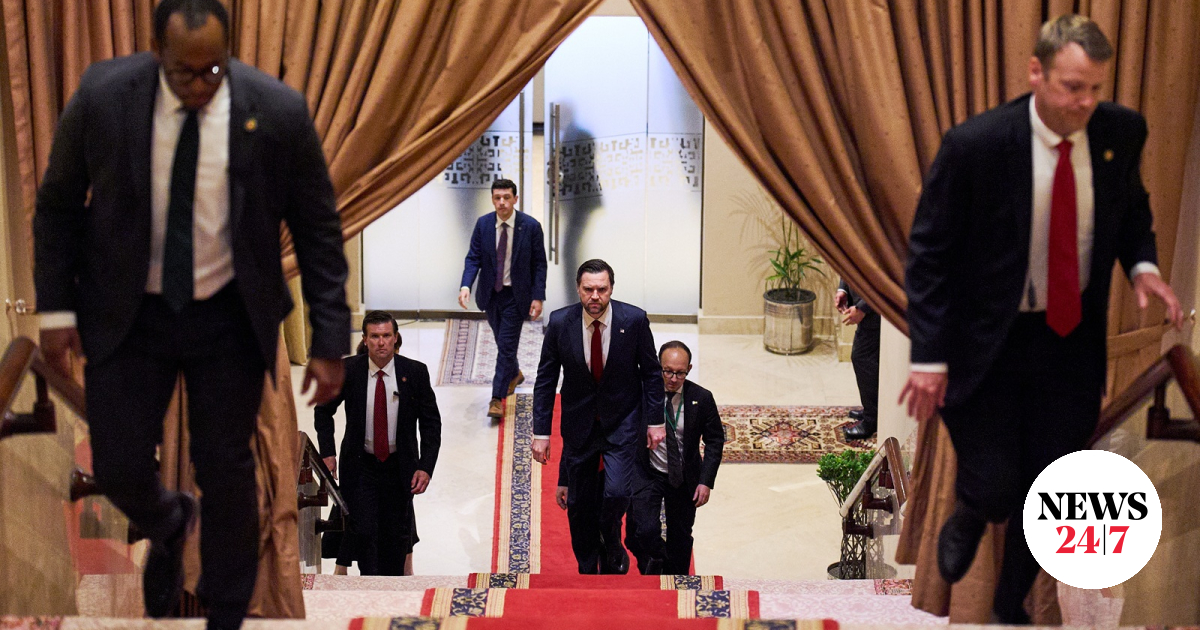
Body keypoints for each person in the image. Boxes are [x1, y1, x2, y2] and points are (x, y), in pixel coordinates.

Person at [33, 1, 349, 627]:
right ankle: (169, 520)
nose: (202, 85)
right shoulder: (103, 97)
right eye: (186, 73)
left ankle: (226, 615)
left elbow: (317, 227)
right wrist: (56, 312)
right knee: (118, 464)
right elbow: (58, 205)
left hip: (228, 315)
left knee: (227, 470)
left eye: (215, 71)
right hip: (130, 311)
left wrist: (328, 338)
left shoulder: (276, 111)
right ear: (158, 55)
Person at [900, 15, 1183, 623]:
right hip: (988, 338)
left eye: (1095, 89)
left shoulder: (1121, 131)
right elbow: (929, 254)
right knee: (999, 481)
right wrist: (928, 356)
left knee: (1052, 483)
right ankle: (973, 508)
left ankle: (1011, 604)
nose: (1085, 103)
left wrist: (1142, 267)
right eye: (1072, 87)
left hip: (1070, 339)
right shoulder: (976, 145)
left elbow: (1132, 210)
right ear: (1036, 72)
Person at [531, 259, 665, 574]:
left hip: (622, 421)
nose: (595, 296)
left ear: (611, 289)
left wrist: (655, 421)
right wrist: (541, 433)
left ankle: (611, 535)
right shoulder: (560, 322)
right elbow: (546, 380)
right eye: (588, 289)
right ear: (578, 289)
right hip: (579, 425)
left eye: (602, 289)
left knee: (617, 491)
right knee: (578, 505)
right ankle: (588, 566)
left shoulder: (634, 320)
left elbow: (651, 373)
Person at [315, 311, 441, 576]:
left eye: (386, 336)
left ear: (395, 338)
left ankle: (391, 589)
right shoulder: (348, 370)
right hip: (361, 467)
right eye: (374, 336)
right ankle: (370, 586)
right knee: (364, 533)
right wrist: (327, 453)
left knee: (395, 536)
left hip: (400, 468)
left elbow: (431, 424)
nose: (381, 342)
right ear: (365, 339)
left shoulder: (414, 372)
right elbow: (323, 410)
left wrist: (425, 467)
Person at [631, 341, 724, 575]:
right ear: (658, 367)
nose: (673, 379)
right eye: (667, 371)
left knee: (680, 537)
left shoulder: (701, 398)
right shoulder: (641, 392)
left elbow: (714, 440)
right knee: (642, 531)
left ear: (689, 369)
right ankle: (659, 562)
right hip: (648, 472)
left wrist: (705, 481)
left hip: (683, 476)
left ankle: (677, 581)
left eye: (680, 373)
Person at [459, 178, 548, 419]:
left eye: (507, 197)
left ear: (515, 199)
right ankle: (515, 373)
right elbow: (473, 257)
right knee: (503, 343)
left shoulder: (530, 226)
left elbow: (539, 264)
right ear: (492, 199)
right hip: (491, 295)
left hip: (516, 296)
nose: (502, 203)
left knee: (506, 345)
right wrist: (466, 285)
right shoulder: (483, 224)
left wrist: (538, 297)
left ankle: (496, 398)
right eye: (497, 198)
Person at [835, 280, 881, 439]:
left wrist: (863, 307)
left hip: (875, 310)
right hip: (868, 307)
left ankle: (872, 419)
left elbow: (881, 279)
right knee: (869, 360)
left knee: (862, 359)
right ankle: (872, 410)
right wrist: (843, 289)